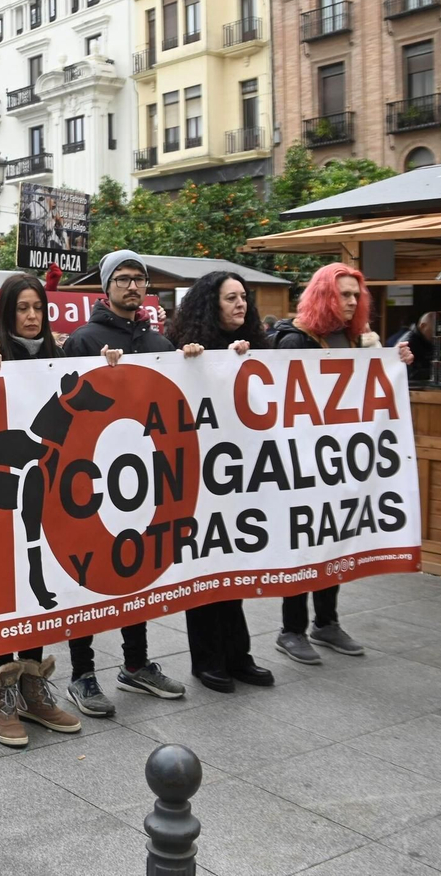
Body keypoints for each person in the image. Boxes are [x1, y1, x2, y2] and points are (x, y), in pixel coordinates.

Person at [0, 273, 103, 747]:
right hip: (0, 495)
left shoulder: (59, 362)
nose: (31, 317)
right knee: (5, 594)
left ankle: (33, 691)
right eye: (22, 309)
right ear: (7, 314)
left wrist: (105, 366)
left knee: (38, 595)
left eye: (37, 308)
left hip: (45, 493)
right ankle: (0, 700)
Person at [57, 249, 186, 718]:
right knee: (87, 575)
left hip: (142, 479)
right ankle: (81, 673)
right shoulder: (82, 340)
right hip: (90, 479)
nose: (133, 287)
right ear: (106, 287)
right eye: (124, 279)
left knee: (135, 569)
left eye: (140, 280)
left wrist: (192, 361)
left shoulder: (159, 343)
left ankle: (135, 664)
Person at [272, 263, 411, 667]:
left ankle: (326, 621)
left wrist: (391, 360)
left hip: (339, 464)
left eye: (356, 295)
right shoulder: (293, 340)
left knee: (335, 538)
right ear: (323, 296)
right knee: (303, 545)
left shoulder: (353, 340)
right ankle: (291, 629)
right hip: (300, 465)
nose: (352, 302)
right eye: (344, 294)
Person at [166, 272, 276, 694]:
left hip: (239, 476)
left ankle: (238, 655)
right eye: (231, 298)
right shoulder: (186, 352)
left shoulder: (255, 350)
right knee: (204, 568)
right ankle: (207, 659)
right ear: (210, 304)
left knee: (234, 570)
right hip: (198, 477)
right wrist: (194, 360)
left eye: (244, 297)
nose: (241, 304)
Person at [400, 312, 437, 385]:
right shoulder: (409, 343)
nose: (435, 334)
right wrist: (435, 371)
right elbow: (410, 374)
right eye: (434, 330)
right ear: (423, 326)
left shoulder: (427, 341)